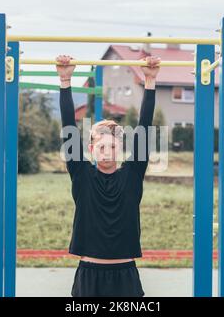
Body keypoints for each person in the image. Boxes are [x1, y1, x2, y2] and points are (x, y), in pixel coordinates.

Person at [56, 54, 161, 297]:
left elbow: (144, 128)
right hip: (89, 276)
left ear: (121, 149)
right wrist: (65, 81)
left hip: (125, 276)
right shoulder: (82, 175)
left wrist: (150, 82)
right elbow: (69, 129)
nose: (106, 152)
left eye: (112, 146)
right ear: (91, 149)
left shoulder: (132, 175)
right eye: (101, 147)